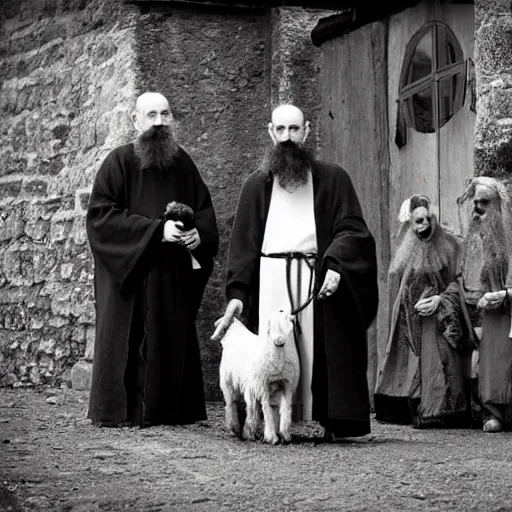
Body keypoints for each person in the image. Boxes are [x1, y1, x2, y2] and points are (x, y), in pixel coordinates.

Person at [212, 104, 378, 440]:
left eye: (294, 129)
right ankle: (270, 422)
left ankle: (330, 417)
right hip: (270, 279)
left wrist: (336, 265)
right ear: (270, 132)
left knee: (317, 346)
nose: (288, 137)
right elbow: (242, 248)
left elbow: (353, 230)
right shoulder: (255, 186)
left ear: (307, 130)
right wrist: (237, 296)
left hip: (315, 278)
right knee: (274, 349)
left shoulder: (333, 178)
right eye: (281, 130)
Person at [86, 92, 219, 427]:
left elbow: (204, 210)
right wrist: (156, 232)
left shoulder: (183, 163)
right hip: (130, 277)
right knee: (127, 340)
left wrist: (197, 234)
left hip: (170, 278)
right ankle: (123, 411)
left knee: (170, 336)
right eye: (151, 115)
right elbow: (101, 219)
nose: (159, 122)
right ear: (135, 120)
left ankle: (170, 410)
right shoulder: (118, 163)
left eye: (165, 114)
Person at [374, 195, 470, 428]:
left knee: (438, 366)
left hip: (439, 323)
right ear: (410, 224)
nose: (424, 225)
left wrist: (440, 299)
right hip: (408, 327)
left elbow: (459, 282)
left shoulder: (449, 246)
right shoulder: (405, 251)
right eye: (418, 221)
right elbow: (398, 291)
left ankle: (440, 408)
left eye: (427, 219)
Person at [453, 177, 512, 432]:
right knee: (489, 364)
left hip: (508, 312)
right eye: (475, 202)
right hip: (486, 315)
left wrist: (507, 294)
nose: (478, 208)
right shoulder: (472, 240)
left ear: (498, 205)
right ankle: (491, 412)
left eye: (484, 202)